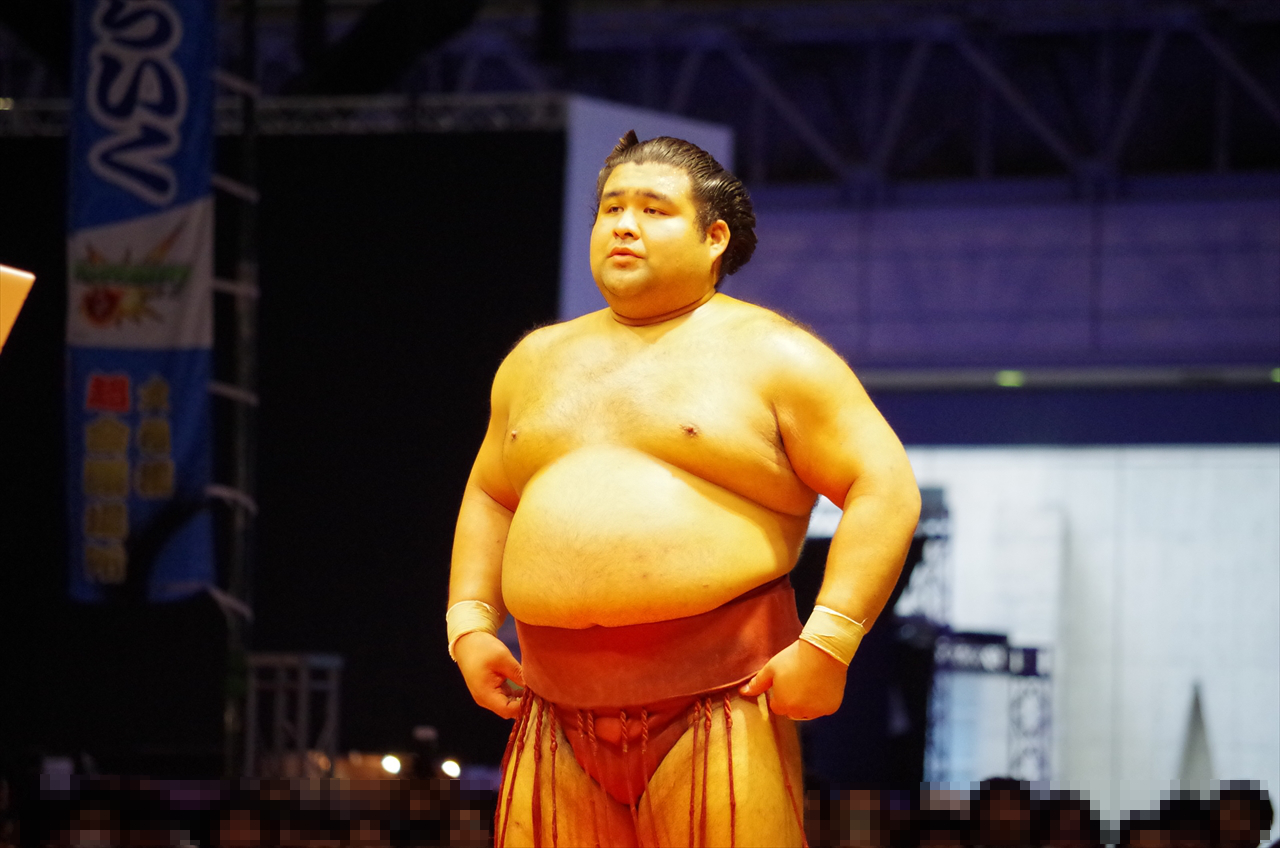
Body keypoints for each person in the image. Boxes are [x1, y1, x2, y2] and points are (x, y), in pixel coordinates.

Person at [447, 131, 921, 847]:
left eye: (654, 209)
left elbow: (883, 486)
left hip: (721, 702)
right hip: (549, 711)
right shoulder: (534, 362)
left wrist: (828, 643)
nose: (624, 225)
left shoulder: (774, 355)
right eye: (610, 208)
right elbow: (490, 494)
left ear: (714, 238)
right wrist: (469, 623)